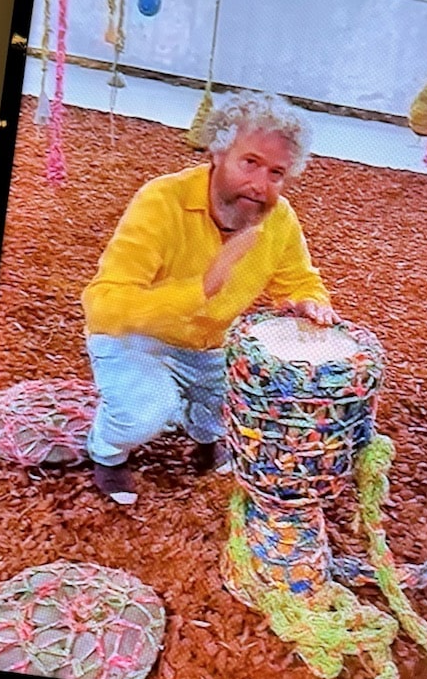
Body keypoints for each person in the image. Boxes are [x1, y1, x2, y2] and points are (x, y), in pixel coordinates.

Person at [81, 90, 336, 504]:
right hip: (133, 335)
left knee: (244, 404)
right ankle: (107, 452)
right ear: (217, 151)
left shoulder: (279, 218)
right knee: (147, 413)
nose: (260, 185)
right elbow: (103, 305)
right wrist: (202, 287)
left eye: (276, 173)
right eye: (250, 162)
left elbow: (299, 281)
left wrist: (308, 301)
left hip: (209, 342)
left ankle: (203, 434)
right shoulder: (161, 201)